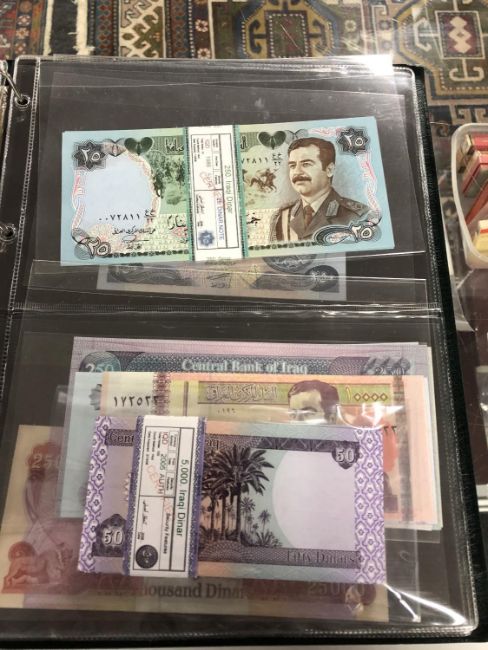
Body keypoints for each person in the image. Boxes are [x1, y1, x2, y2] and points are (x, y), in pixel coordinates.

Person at [270, 137, 371, 242]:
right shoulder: (282, 217)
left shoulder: (358, 217)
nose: (297, 172)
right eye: (292, 166)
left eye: (306, 164)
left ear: (329, 170)